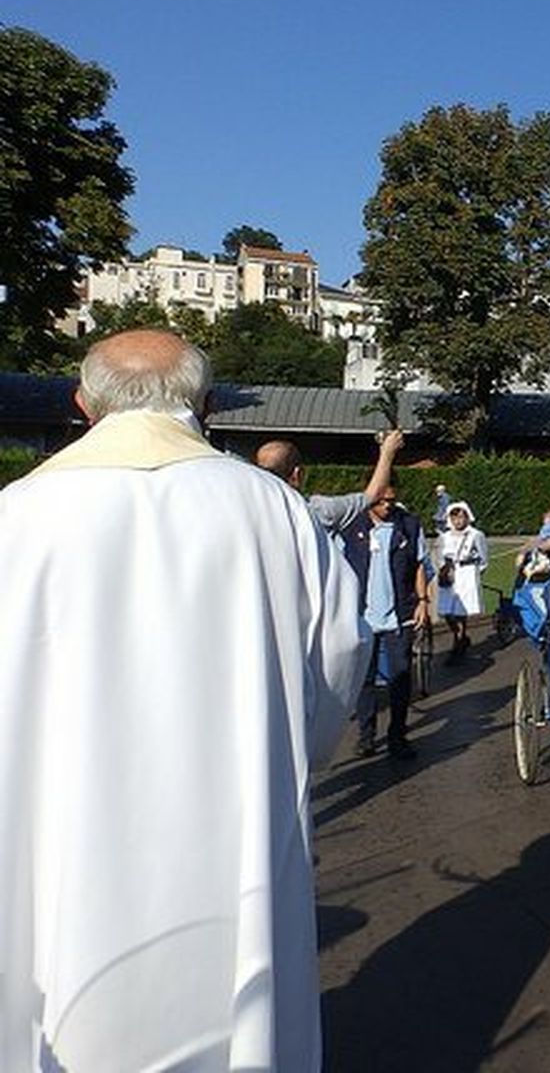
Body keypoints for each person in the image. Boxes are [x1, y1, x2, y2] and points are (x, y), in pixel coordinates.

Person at [0, 329, 365, 1071]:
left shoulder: (17, 514)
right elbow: (338, 658)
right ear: (205, 403)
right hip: (235, 827)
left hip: (54, 829)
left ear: (82, 405)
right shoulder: (274, 511)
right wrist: (293, 752)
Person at [341, 484, 430, 759]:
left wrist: (423, 602)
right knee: (364, 680)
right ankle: (366, 737)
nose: (388, 506)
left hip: (399, 616)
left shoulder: (409, 525)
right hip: (362, 617)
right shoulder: (350, 527)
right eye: (382, 501)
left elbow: (419, 564)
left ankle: (398, 736)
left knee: (400, 677)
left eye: (392, 500)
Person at [255, 428, 405, 532]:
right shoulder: (318, 511)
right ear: (297, 474)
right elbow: (374, 494)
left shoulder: (247, 513)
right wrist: (387, 452)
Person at [435, 500, 489, 663]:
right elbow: (439, 556)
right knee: (446, 611)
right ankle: (461, 637)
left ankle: (458, 645)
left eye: (461, 517)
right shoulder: (444, 537)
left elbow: (484, 559)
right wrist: (444, 570)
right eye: (454, 518)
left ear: (467, 517)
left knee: (460, 611)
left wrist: (474, 573)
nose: (458, 521)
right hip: (450, 575)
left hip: (466, 574)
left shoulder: (476, 535)